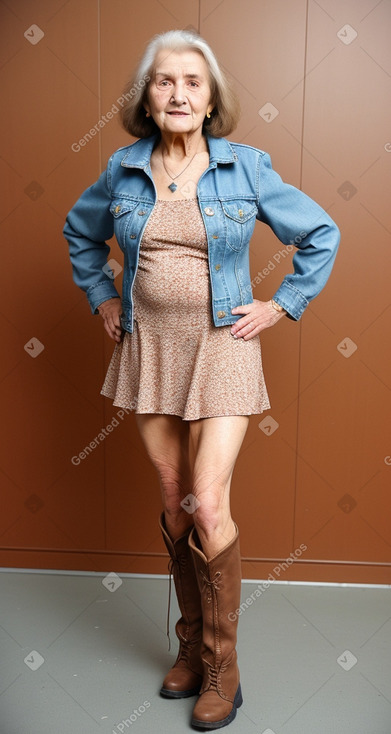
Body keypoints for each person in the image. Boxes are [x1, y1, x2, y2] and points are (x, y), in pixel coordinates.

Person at [63, 29, 340, 730]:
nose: (178, 93)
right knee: (173, 501)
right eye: (163, 81)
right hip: (149, 348)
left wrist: (282, 305)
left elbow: (320, 234)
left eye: (192, 81)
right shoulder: (122, 168)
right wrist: (100, 294)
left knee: (207, 501)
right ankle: (189, 647)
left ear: (211, 97)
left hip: (222, 348)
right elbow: (78, 231)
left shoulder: (245, 167)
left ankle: (223, 668)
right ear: (146, 98)